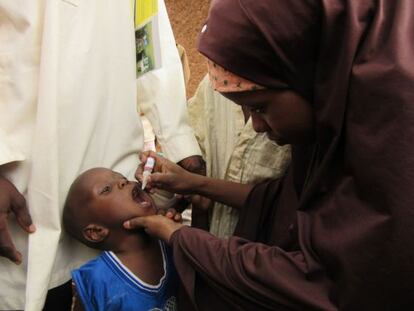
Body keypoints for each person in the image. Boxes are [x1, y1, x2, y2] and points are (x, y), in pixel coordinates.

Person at [124, 0, 414, 310]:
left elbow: (326, 285)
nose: (256, 126)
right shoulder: (336, 101)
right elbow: (283, 203)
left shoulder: (395, 144)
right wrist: (194, 183)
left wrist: (179, 236)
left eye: (260, 107)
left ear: (308, 71)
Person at [0, 1, 202, 310]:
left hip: (114, 176)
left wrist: (180, 144)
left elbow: (147, 36)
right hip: (24, 192)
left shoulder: (130, 197)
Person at [188, 75, 291, 237]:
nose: (258, 126)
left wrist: (199, 186)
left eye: (261, 108)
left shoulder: (301, 103)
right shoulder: (214, 83)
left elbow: (283, 205)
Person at [63, 167, 180, 311]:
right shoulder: (98, 280)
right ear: (96, 231)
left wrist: (195, 220)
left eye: (122, 177)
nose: (123, 182)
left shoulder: (169, 240)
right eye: (106, 189)